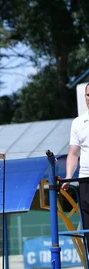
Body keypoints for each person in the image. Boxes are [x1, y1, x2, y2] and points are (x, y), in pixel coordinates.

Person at [62, 83, 89, 235]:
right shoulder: (78, 123)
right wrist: (68, 177)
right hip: (85, 179)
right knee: (87, 226)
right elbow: (73, 154)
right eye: (88, 95)